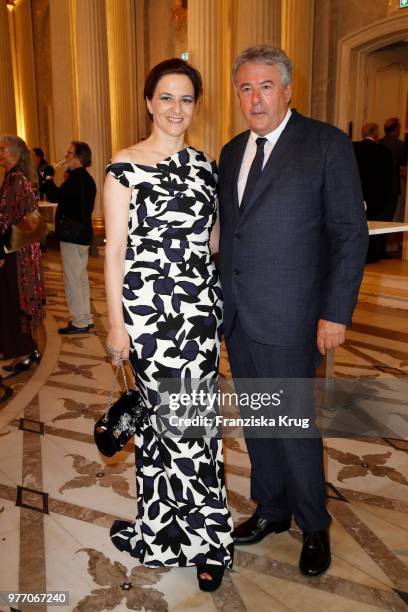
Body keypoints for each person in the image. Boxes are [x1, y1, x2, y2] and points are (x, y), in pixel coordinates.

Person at [218, 45, 368, 577]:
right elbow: (230, 235)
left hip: (293, 316)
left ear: (287, 90)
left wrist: (335, 312)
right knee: (259, 422)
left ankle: (314, 522)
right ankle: (273, 509)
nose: (254, 98)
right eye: (244, 88)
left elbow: (350, 234)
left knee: (294, 424)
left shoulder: (325, 144)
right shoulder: (231, 151)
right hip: (239, 316)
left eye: (264, 87)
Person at [103, 58, 233, 591]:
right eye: (166, 97)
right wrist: (117, 326)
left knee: (195, 429)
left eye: (186, 99)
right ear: (149, 102)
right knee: (160, 428)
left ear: (195, 105)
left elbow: (215, 241)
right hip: (148, 319)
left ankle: (210, 541)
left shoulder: (206, 167)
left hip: (197, 316)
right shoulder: (123, 166)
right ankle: (159, 533)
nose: (176, 109)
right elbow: (113, 253)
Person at [40, 141, 96, 334]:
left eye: (69, 153)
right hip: (83, 234)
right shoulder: (86, 179)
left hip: (73, 235)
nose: (65, 156)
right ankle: (86, 318)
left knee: (73, 279)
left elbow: (55, 196)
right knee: (80, 278)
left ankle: (80, 321)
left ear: (79, 157)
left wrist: (48, 178)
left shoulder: (76, 179)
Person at [0, 135, 45, 373]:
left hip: (16, 252)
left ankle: (26, 351)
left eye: (3, 149)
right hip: (15, 248)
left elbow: (9, 219)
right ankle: (24, 350)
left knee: (16, 300)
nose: (0, 153)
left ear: (16, 153)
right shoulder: (12, 177)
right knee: (11, 300)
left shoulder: (17, 179)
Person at [353, 122, 393, 262]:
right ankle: (374, 254)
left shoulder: (353, 148)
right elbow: (388, 176)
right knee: (376, 226)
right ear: (376, 134)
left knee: (359, 226)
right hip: (378, 195)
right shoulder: (384, 151)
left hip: (357, 193)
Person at [379, 117, 407, 222]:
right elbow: (404, 165)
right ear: (395, 129)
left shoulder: (378, 142)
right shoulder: (401, 145)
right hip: (393, 187)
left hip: (378, 186)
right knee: (389, 217)